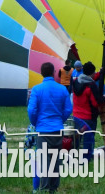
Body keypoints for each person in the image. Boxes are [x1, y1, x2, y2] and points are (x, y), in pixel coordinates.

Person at [28, 61, 72, 192]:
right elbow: (68, 108)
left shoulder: (36, 89)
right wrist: (60, 119)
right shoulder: (62, 89)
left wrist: (36, 123)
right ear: (54, 73)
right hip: (57, 129)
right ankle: (54, 187)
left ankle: (44, 188)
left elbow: (31, 110)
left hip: (43, 130)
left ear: (41, 73)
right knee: (56, 159)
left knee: (44, 160)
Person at [72, 61, 105, 162]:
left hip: (76, 116)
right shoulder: (91, 86)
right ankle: (86, 158)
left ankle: (73, 155)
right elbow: (96, 102)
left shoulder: (76, 81)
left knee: (77, 137)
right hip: (88, 117)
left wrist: (100, 73)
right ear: (91, 73)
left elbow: (89, 79)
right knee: (88, 138)